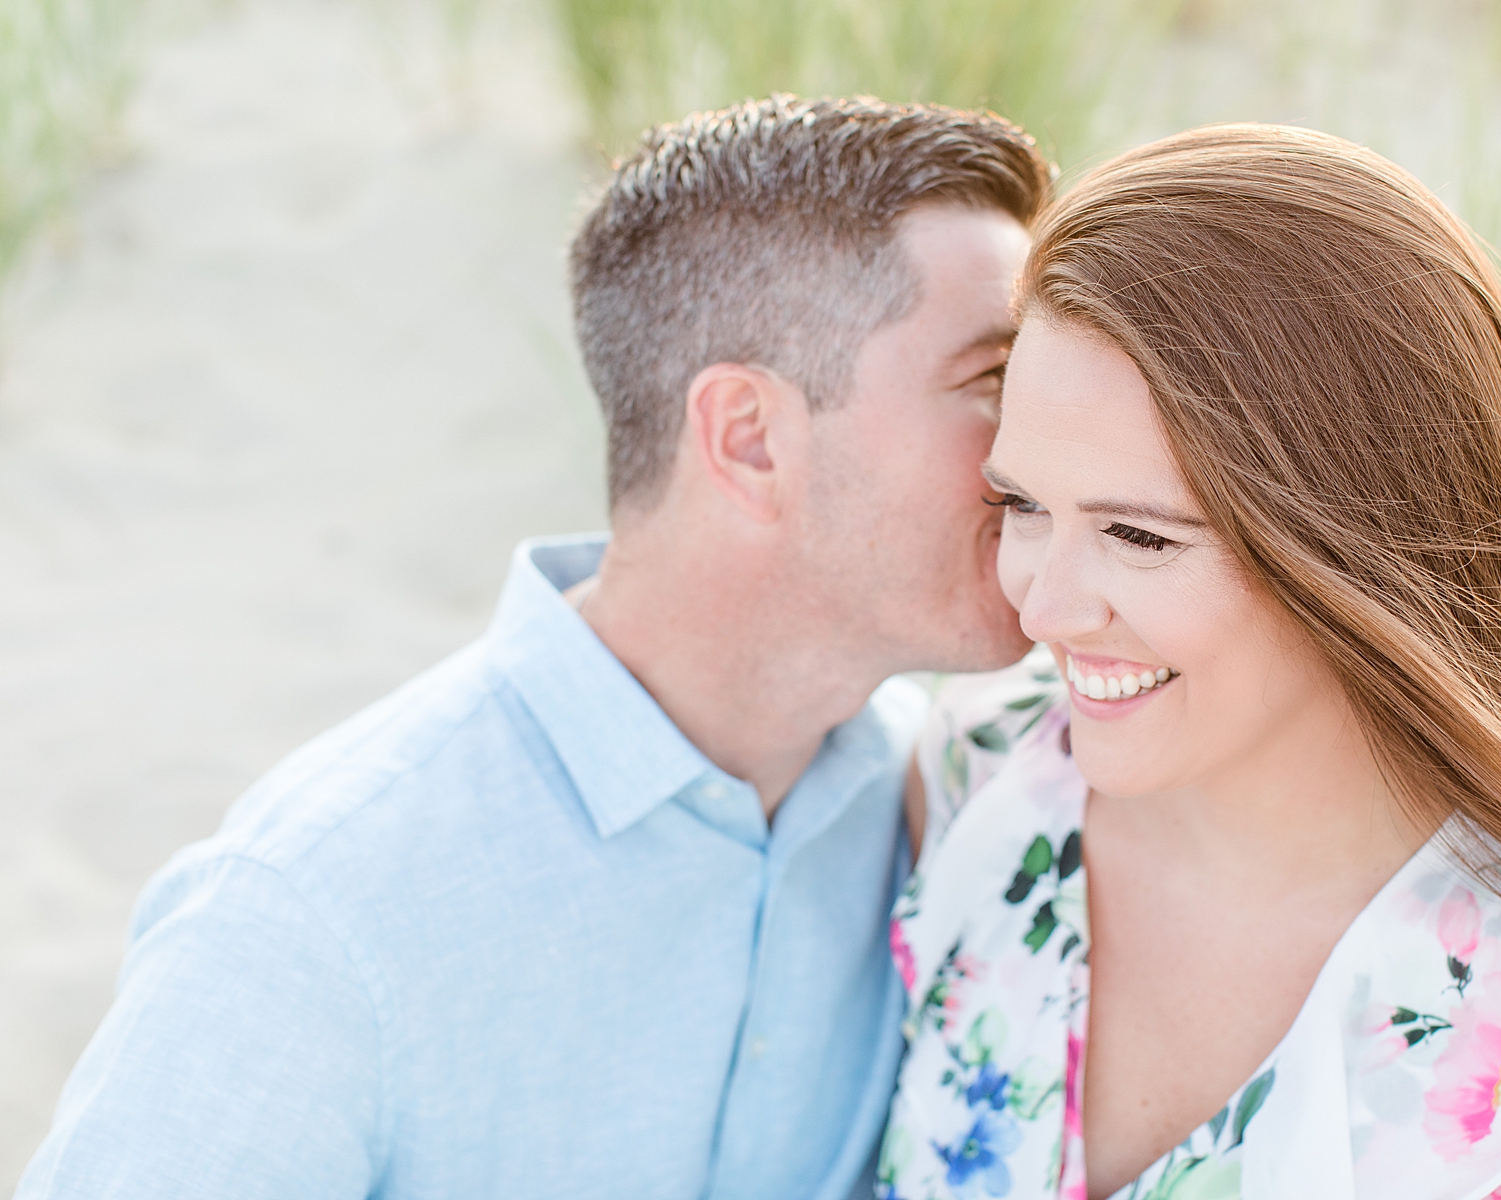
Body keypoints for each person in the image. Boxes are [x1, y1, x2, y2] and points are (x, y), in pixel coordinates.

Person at [17, 95, 1049, 1200]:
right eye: (994, 383)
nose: (1047, 445)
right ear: (750, 439)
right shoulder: (311, 917)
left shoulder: (950, 800)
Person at [880, 124, 1501, 1200]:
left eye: (1140, 536)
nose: (1042, 604)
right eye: (1024, 506)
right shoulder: (972, 777)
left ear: (1360, 547)